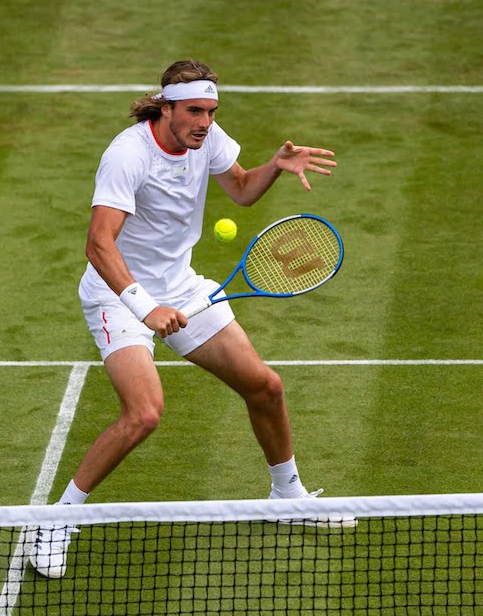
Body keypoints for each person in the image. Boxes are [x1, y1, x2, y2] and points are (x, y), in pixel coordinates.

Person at [30, 60, 341, 578]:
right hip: (117, 294)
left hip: (182, 288)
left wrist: (274, 166)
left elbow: (240, 189)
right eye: (195, 110)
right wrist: (144, 307)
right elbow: (98, 244)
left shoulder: (208, 136)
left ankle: (288, 496)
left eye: (212, 111)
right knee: (144, 413)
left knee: (265, 387)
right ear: (166, 106)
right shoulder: (127, 155)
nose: (205, 121)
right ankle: (56, 521)